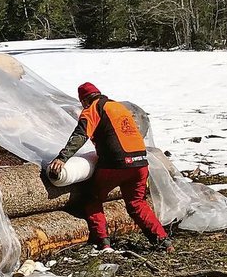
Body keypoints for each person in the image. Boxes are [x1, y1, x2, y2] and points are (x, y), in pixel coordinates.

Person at [47, 82, 172, 252]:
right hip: (141, 163)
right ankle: (163, 241)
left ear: (84, 100)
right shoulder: (119, 108)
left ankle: (103, 242)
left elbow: (80, 134)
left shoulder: (93, 109)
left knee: (93, 198)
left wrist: (62, 158)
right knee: (137, 203)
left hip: (116, 163)